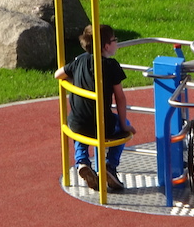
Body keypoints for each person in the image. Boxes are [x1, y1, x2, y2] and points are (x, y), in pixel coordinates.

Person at [54, 24, 137, 192]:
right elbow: (120, 98)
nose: (116, 43)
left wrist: (76, 83)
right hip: (100, 126)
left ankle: (82, 161)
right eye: (114, 40)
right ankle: (110, 166)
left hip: (77, 124)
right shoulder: (111, 65)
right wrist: (124, 124)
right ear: (106, 46)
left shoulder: (79, 60)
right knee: (122, 125)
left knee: (80, 120)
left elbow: (58, 74)